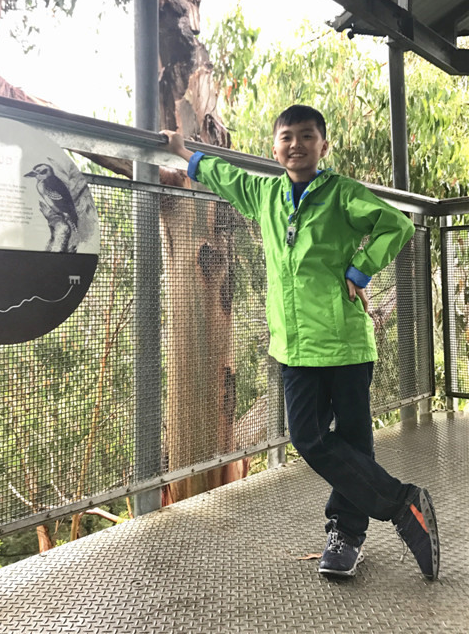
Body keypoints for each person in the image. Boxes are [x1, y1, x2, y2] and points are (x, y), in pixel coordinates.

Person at [162, 104, 440, 581]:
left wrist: (360, 270)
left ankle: (346, 535)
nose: (296, 144)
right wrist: (184, 152)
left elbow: (395, 225)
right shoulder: (265, 194)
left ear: (323, 146)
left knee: (353, 440)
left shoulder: (341, 193)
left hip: (345, 342)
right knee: (308, 437)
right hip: (293, 347)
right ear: (275, 148)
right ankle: (403, 503)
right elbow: (225, 175)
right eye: (287, 137)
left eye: (307, 136)